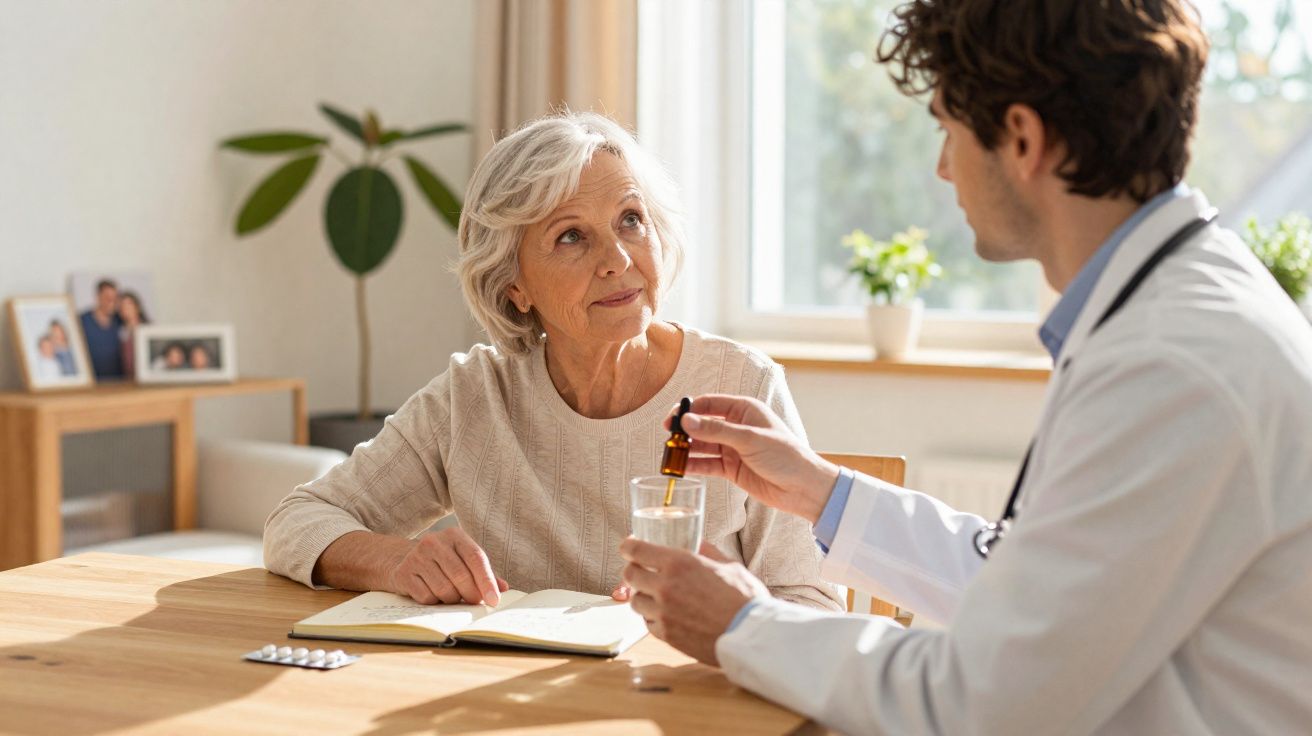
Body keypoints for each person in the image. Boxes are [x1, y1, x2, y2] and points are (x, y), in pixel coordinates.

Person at [619, 1, 1312, 733]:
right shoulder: (1175, 310)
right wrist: (820, 491)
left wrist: (741, 626)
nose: (943, 168)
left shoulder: (1173, 364)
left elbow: (986, 700)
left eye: (949, 130)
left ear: (1021, 139)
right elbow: (1035, 596)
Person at [264, 112, 842, 614]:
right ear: (514, 285)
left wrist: (728, 613)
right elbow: (298, 520)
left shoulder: (741, 386)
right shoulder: (476, 395)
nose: (618, 259)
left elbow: (814, 606)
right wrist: (398, 561)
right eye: (571, 237)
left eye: (630, 219)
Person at [80, 279, 124, 379]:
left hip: (118, 383)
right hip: (92, 383)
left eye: (115, 298)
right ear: (98, 297)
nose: (112, 302)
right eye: (107, 298)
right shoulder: (82, 321)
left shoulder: (120, 320)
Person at [117, 290, 149, 378]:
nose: (125, 309)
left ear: (137, 307)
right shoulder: (120, 330)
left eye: (128, 305)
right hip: (126, 379)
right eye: (122, 306)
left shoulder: (148, 329)